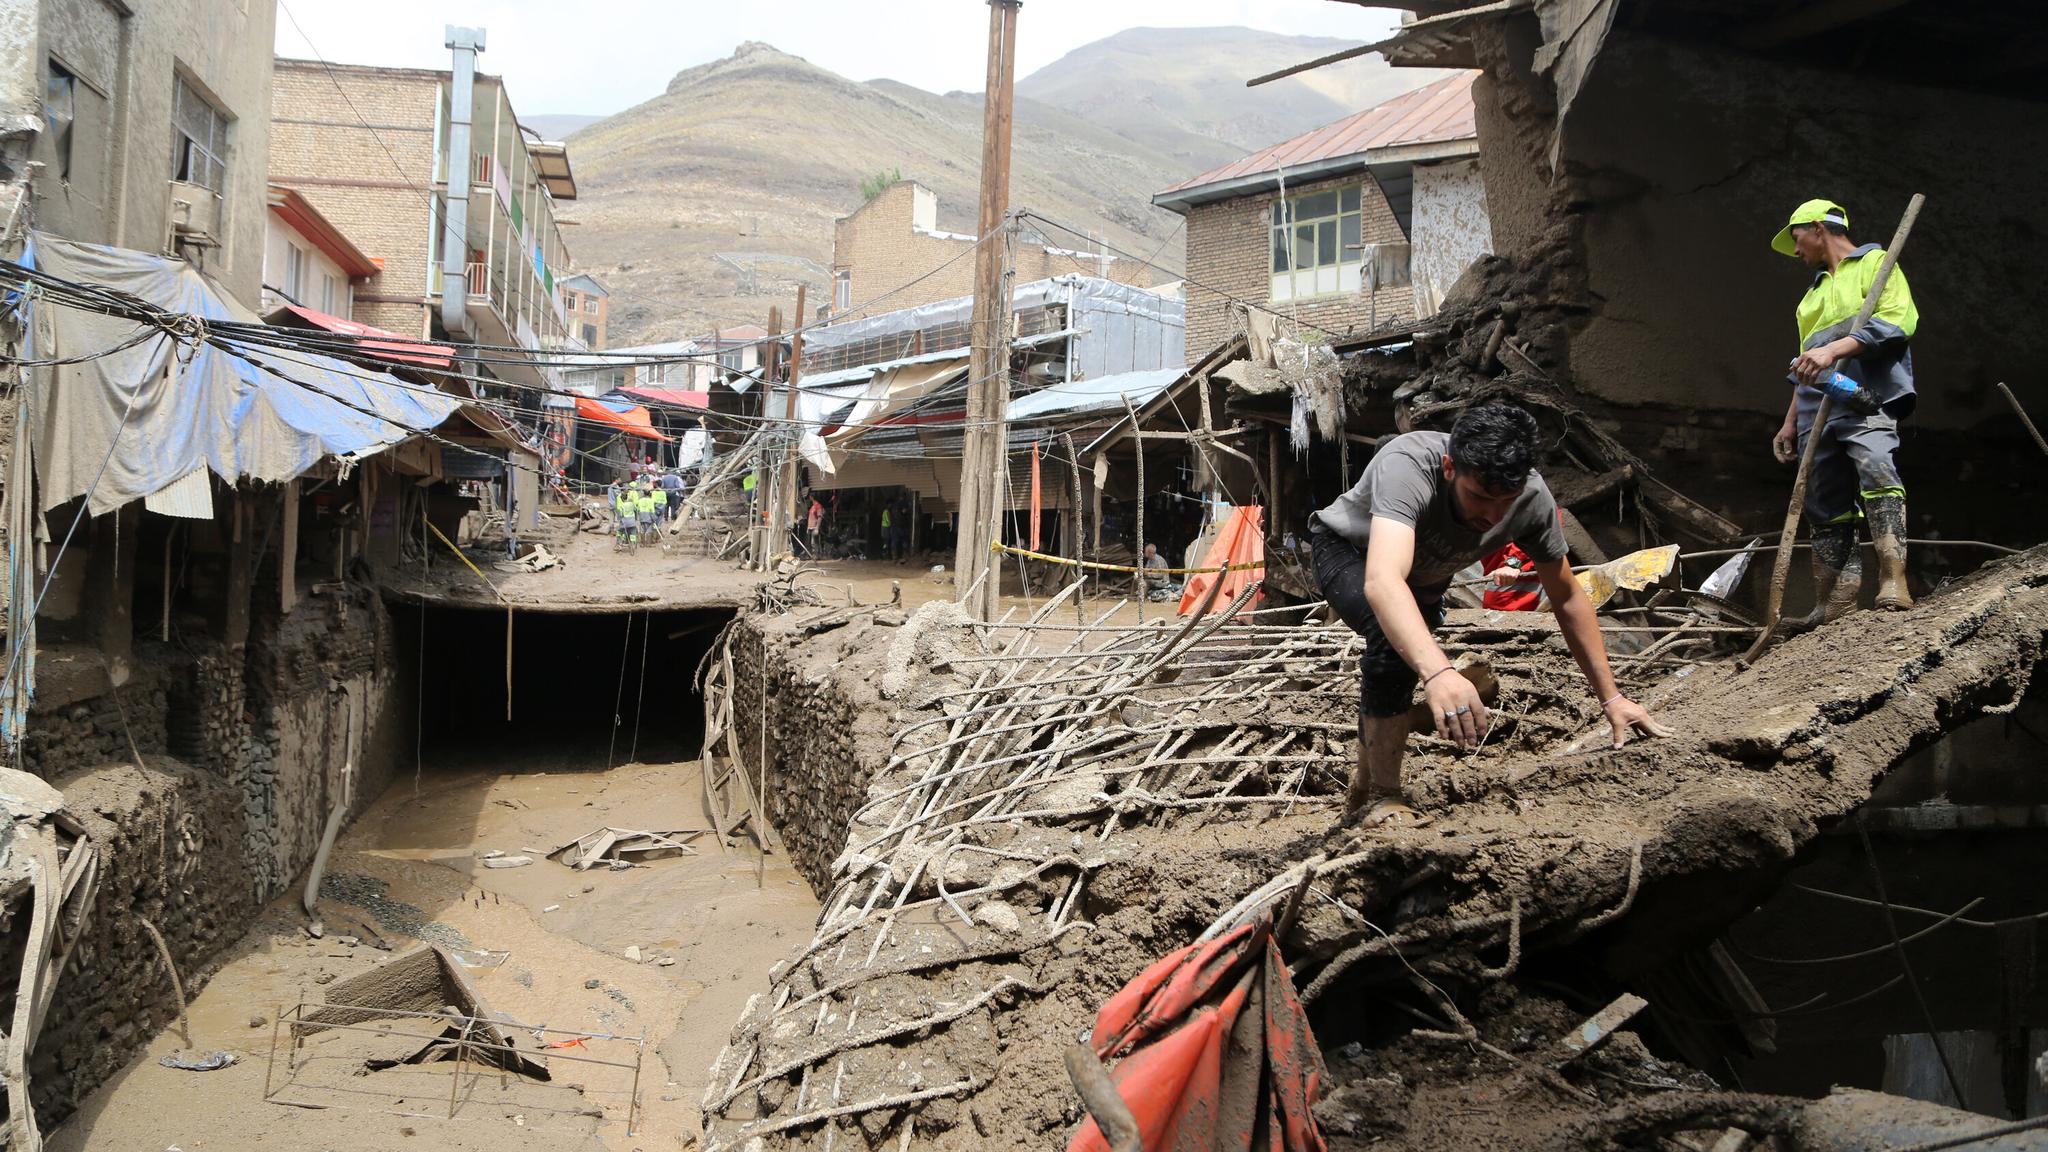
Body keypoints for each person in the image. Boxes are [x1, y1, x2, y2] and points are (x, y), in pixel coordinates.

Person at [1309, 403, 1667, 828]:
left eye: (1505, 502)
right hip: (1349, 551)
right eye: (1478, 496)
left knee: (1399, 662)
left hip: (1422, 579)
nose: (1493, 517)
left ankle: (1364, 787)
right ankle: (1385, 798)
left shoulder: (1531, 500)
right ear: (1448, 468)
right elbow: (1384, 580)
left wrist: (1612, 698)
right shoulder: (1407, 465)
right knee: (1394, 645)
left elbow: (1568, 597)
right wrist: (1440, 673)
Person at [1768, 198, 1920, 623]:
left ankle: (1894, 580)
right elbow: (1806, 364)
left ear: (1818, 228)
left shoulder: (1876, 265)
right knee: (1823, 499)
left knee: (1875, 466)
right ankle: (1836, 599)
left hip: (1865, 395)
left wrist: (1833, 349)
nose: (1796, 252)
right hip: (1818, 407)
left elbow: (1897, 321)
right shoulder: (1810, 298)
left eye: (1796, 239)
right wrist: (1790, 420)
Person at [613, 482, 638, 547]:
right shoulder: (630, 500)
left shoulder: (621, 497)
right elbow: (635, 507)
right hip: (631, 519)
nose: (628, 489)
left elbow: (619, 509)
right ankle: (631, 541)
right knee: (632, 530)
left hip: (624, 518)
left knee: (621, 530)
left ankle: (619, 541)